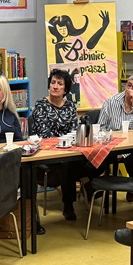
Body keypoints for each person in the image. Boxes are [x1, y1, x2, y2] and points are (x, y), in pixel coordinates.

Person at [29, 68, 79, 220]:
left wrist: (68, 140)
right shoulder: (41, 104)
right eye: (53, 83)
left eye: (60, 84)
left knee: (82, 162)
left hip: (67, 151)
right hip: (46, 154)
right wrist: (64, 139)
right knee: (68, 164)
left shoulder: (70, 106)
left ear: (66, 89)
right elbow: (44, 134)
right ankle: (68, 204)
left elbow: (74, 131)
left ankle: (87, 187)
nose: (55, 86)